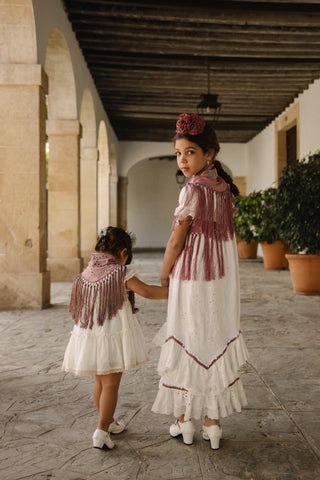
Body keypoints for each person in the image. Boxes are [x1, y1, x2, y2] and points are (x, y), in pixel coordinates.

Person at [152, 113, 249, 449]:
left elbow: (177, 240)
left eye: (190, 152)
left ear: (209, 154)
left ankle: (185, 422)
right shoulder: (224, 189)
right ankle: (212, 423)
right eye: (179, 153)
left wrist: (164, 274)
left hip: (194, 275)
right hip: (221, 277)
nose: (183, 160)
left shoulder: (192, 190)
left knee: (189, 336)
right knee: (212, 336)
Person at [62, 227, 168, 450]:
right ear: (122, 252)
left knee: (100, 381)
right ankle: (101, 430)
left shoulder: (87, 273)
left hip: (91, 333)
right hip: (112, 334)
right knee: (111, 384)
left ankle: (108, 422)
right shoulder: (121, 273)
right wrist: (175, 290)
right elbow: (147, 292)